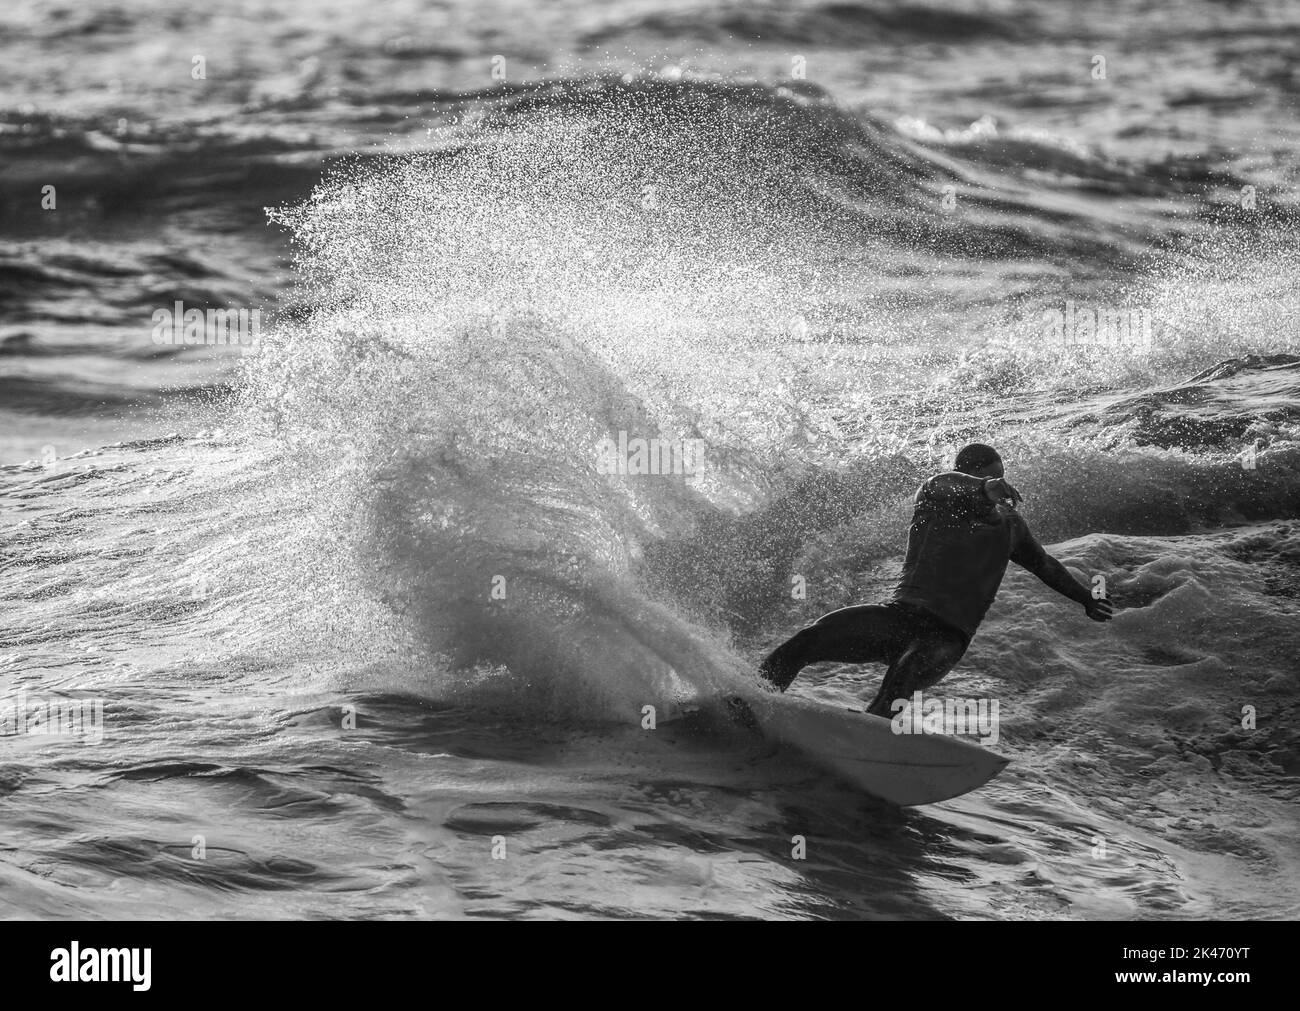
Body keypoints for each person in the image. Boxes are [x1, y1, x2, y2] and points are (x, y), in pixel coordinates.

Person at [757, 443, 1115, 717]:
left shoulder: (1010, 526)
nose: (996, 486)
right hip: (898, 617)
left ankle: (870, 736)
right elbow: (947, 484)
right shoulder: (934, 498)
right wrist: (986, 487)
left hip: (948, 636)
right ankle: (750, 701)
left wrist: (1085, 597)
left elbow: (1045, 565)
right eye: (986, 477)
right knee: (807, 640)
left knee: (907, 670)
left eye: (998, 476)